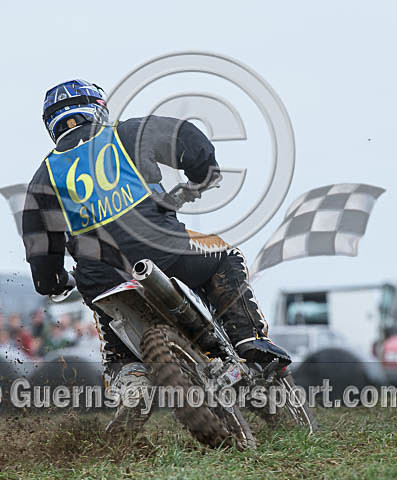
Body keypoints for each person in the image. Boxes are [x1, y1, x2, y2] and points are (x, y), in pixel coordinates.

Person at [22, 79, 291, 432]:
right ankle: (247, 338)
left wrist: (56, 281)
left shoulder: (43, 178)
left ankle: (132, 383)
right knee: (226, 256)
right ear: (98, 108)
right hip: (166, 251)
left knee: (108, 315)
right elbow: (191, 141)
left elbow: (41, 259)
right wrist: (201, 176)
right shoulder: (127, 133)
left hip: (101, 275)